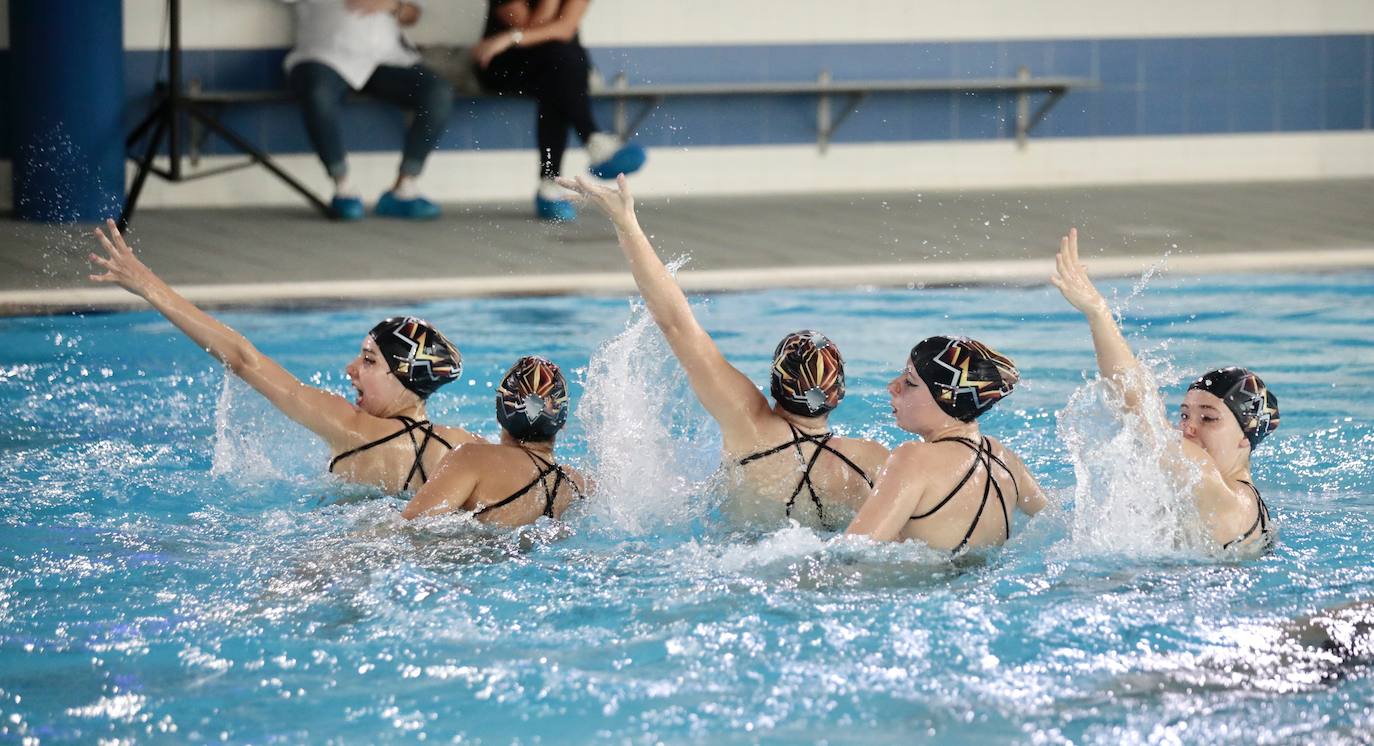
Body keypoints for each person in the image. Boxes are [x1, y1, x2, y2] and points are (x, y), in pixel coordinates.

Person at [559, 175, 887, 530]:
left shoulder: (748, 425)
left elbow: (677, 325)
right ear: (839, 393)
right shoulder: (872, 462)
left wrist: (627, 224)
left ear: (774, 386)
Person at [87, 220, 481, 493]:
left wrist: (148, 286)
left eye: (368, 360)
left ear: (402, 376)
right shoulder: (464, 449)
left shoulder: (349, 428)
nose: (351, 370)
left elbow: (243, 359)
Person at [1051, 228, 1280, 553]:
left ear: (1246, 435)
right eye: (1185, 413)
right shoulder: (1234, 499)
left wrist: (1098, 312)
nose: (1188, 427)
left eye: (1209, 419)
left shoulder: (1227, 497)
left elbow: (1140, 408)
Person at [845, 336, 1047, 552]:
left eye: (910, 381)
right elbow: (1054, 520)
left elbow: (851, 552)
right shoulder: (1005, 459)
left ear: (947, 397)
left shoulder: (913, 458)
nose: (893, 386)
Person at [473, 0, 646, 222]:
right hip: (503, 63)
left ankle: (551, 182)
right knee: (562, 68)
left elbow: (564, 30)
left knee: (559, 73)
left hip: (554, 65)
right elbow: (532, 27)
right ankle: (591, 140)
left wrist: (510, 37)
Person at [282, 0, 454, 220]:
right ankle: (343, 188)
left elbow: (414, 14)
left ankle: (403, 189)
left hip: (386, 59)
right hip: (325, 57)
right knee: (318, 92)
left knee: (437, 91)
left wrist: (391, 6)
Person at [402, 356, 587, 525]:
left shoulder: (471, 458)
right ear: (562, 423)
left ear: (500, 414)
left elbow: (409, 526)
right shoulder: (578, 486)